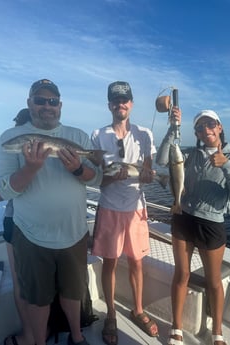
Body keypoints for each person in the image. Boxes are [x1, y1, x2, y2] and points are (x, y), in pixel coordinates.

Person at [0, 79, 102, 345]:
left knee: (73, 293)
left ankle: (76, 336)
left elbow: (97, 178)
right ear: (29, 103)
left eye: (52, 101)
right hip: (30, 236)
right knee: (37, 298)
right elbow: (2, 192)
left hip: (74, 233)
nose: (47, 106)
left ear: (60, 105)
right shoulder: (10, 138)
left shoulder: (77, 136)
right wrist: (30, 168)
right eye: (40, 100)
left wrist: (77, 168)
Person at [156, 109, 230, 345]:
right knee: (182, 274)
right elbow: (162, 161)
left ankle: (217, 332)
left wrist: (226, 166)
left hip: (212, 224)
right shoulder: (190, 154)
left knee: (213, 280)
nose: (205, 130)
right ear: (196, 133)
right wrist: (171, 129)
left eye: (210, 124)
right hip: (183, 217)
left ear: (219, 127)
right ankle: (176, 328)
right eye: (199, 127)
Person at [91, 81, 159, 345]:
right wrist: (111, 178)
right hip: (109, 208)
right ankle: (111, 314)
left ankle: (138, 310)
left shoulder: (144, 134)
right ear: (109, 104)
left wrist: (148, 175)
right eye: (115, 100)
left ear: (131, 103)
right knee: (109, 263)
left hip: (136, 209)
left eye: (125, 100)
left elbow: (148, 176)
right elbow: (95, 178)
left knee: (136, 263)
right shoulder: (98, 134)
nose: (121, 104)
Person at [0, 109, 36, 345]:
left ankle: (30, 336)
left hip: (16, 220)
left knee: (21, 281)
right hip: (44, 223)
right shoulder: (48, 154)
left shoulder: (7, 153)